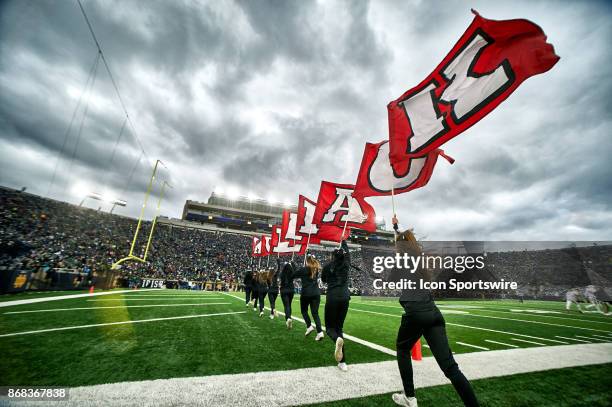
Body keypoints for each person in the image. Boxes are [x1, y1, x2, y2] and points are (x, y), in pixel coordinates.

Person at [391, 215, 479, 407]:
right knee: (450, 368)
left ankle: (410, 397)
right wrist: (396, 228)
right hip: (433, 313)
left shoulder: (402, 261)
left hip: (415, 312)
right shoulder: (418, 258)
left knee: (402, 348)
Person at [321, 239, 351, 372]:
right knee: (339, 327)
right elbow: (347, 251)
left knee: (330, 329)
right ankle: (343, 362)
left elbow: (323, 280)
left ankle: (337, 339)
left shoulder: (328, 266)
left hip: (333, 297)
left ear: (333, 256)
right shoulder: (346, 263)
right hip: (345, 297)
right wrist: (343, 240)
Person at [293, 255, 324, 341]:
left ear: (307, 261)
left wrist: (293, 264)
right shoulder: (316, 269)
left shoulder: (304, 269)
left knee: (304, 311)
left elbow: (294, 275)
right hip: (316, 293)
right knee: (315, 313)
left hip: (306, 293)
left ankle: (309, 326)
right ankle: (320, 332)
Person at [279, 259, 295, 329]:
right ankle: (289, 318)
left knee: (286, 306)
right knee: (289, 305)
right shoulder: (292, 273)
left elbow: (279, 272)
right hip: (291, 290)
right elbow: (295, 270)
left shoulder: (282, 274)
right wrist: (292, 263)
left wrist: (279, 262)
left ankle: (288, 318)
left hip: (284, 290)